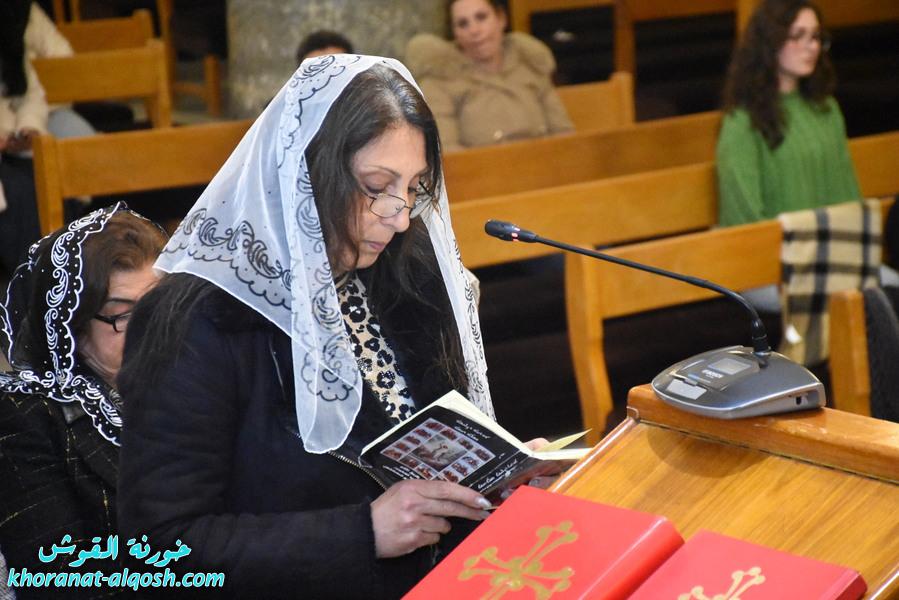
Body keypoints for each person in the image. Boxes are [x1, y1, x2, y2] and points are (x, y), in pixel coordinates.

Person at [117, 55, 552, 598]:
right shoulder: (197, 320)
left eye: (414, 186)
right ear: (309, 174)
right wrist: (361, 532)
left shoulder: (409, 268)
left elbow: (440, 443)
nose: (399, 217)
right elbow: (160, 546)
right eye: (376, 185)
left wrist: (500, 478)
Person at [0, 204, 166, 596]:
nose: (148, 330)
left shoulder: (195, 382)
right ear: (72, 325)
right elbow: (58, 578)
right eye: (123, 316)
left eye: (157, 307)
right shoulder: (26, 417)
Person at [716, 0, 860, 227]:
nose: (811, 46)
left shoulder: (826, 108)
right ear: (770, 42)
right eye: (797, 35)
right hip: (772, 246)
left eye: (815, 36)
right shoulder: (743, 121)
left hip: (831, 243)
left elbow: (848, 196)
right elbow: (743, 218)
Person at [405, 0, 573, 150]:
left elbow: (563, 134)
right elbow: (448, 151)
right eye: (463, 24)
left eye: (481, 17)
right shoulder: (440, 80)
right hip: (482, 171)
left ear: (501, 19)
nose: (474, 30)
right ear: (455, 34)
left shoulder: (530, 64)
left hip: (544, 164)